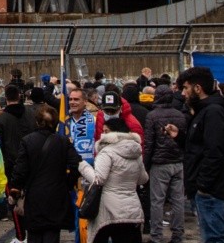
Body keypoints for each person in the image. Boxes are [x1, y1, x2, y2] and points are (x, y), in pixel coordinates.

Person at [175, 66, 224, 243]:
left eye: (186, 88)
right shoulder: (205, 111)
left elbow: (214, 151)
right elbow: (199, 146)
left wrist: (203, 186)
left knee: (213, 238)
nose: (183, 94)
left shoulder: (213, 112)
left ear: (198, 88)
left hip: (212, 193)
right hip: (208, 191)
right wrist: (179, 137)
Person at [10, 104, 80, 243]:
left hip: (35, 195)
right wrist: (67, 183)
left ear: (37, 122)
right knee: (53, 232)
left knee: (34, 233)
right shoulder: (63, 141)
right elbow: (75, 164)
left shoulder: (28, 141)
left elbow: (20, 170)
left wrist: (16, 190)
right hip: (57, 193)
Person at [79, 115, 148, 243]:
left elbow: (98, 179)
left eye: (106, 131)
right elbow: (143, 179)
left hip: (108, 212)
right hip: (132, 210)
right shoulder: (136, 153)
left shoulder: (107, 152)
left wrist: (82, 166)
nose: (102, 135)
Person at [143, 84, 187, 243]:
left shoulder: (152, 116)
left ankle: (156, 236)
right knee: (178, 200)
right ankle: (178, 235)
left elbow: (149, 143)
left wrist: (145, 165)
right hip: (177, 161)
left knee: (157, 201)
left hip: (160, 163)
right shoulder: (180, 115)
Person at [0, 84, 34, 180]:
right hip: (30, 159)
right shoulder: (31, 113)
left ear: (6, 98)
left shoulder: (0, 119)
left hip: (10, 164)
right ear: (19, 96)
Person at [66, 87, 97, 167]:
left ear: (85, 102)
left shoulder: (94, 120)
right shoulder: (64, 122)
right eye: (70, 99)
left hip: (90, 168)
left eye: (76, 99)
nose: (72, 102)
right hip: (69, 169)